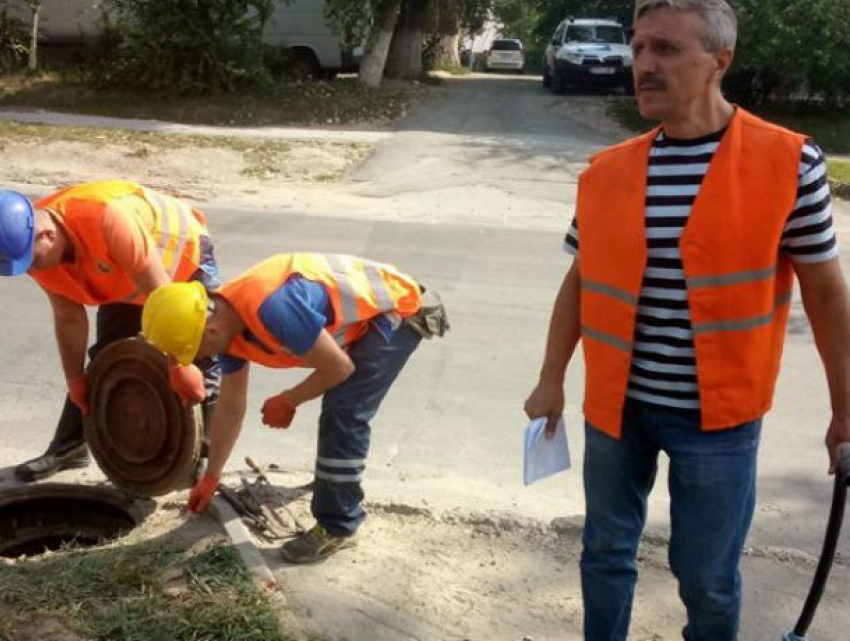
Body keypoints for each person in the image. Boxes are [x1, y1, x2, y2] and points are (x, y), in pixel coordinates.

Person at [523, 1, 850, 640]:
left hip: (720, 422)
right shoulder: (609, 172)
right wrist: (550, 379)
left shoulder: (790, 164)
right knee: (604, 553)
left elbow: (829, 297)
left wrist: (845, 409)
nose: (643, 64)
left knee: (706, 577)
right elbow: (579, 284)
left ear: (719, 61)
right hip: (617, 409)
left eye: (665, 50)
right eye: (639, 47)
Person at [141, 253, 447, 563]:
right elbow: (231, 407)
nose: (201, 359)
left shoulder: (275, 308)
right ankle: (335, 482)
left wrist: (289, 401)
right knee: (338, 404)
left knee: (344, 411)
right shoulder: (227, 322)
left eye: (197, 352)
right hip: (369, 319)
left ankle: (339, 527)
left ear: (211, 332)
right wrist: (212, 477)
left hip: (400, 310)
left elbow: (339, 369)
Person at [0, 180, 221, 482]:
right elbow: (69, 318)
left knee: (200, 354)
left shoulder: (109, 220)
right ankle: (70, 446)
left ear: (47, 235)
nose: (30, 269)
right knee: (108, 358)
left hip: (183, 261)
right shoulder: (34, 247)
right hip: (126, 276)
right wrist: (75, 379)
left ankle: (202, 458)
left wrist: (178, 363)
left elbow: (164, 301)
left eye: (31, 261)